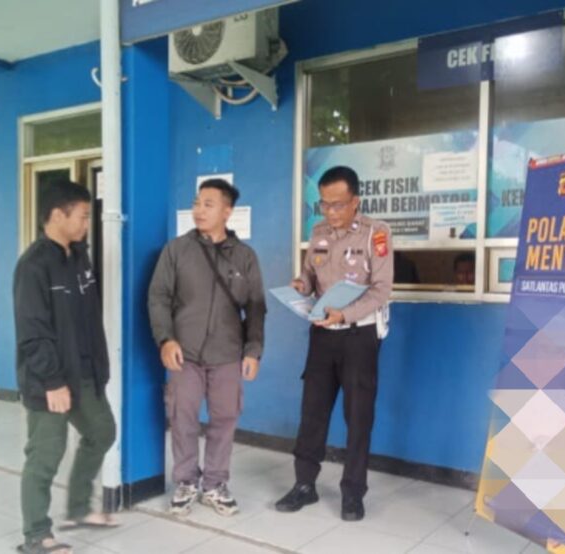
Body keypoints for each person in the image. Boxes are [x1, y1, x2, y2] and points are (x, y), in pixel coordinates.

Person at [275, 165, 394, 522]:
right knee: (312, 411)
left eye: (338, 204)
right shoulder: (318, 232)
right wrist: (301, 285)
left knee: (358, 417)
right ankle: (304, 485)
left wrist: (345, 314)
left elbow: (381, 290)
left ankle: (353, 493)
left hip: (359, 336)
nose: (330, 212)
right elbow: (311, 276)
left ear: (355, 201)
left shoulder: (377, 233)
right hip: (322, 335)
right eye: (324, 204)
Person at [148, 178, 266, 517]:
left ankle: (214, 484)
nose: (198, 210)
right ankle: (186, 481)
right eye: (196, 203)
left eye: (208, 204)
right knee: (182, 416)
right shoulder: (176, 250)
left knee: (224, 418)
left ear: (227, 211)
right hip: (184, 352)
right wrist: (165, 339)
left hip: (228, 353)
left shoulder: (244, 256)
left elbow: (256, 307)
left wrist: (253, 350)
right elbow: (158, 297)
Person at [14, 180, 117, 554]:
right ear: (58, 215)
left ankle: (78, 508)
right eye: (83, 216)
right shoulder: (33, 266)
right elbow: (32, 332)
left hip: (85, 373)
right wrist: (53, 381)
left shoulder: (79, 258)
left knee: (102, 432)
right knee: (45, 456)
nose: (87, 223)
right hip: (50, 380)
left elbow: (88, 320)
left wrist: (99, 367)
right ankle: (36, 535)